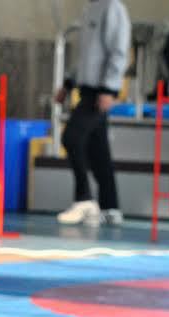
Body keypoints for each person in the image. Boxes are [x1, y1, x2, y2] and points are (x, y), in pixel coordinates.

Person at [55, 0, 131, 227]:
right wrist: (69, 83)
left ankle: (84, 199)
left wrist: (109, 88)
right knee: (99, 151)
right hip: (87, 88)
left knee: (71, 138)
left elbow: (119, 51)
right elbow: (87, 55)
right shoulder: (90, 9)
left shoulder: (112, 8)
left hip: (99, 92)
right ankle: (110, 207)